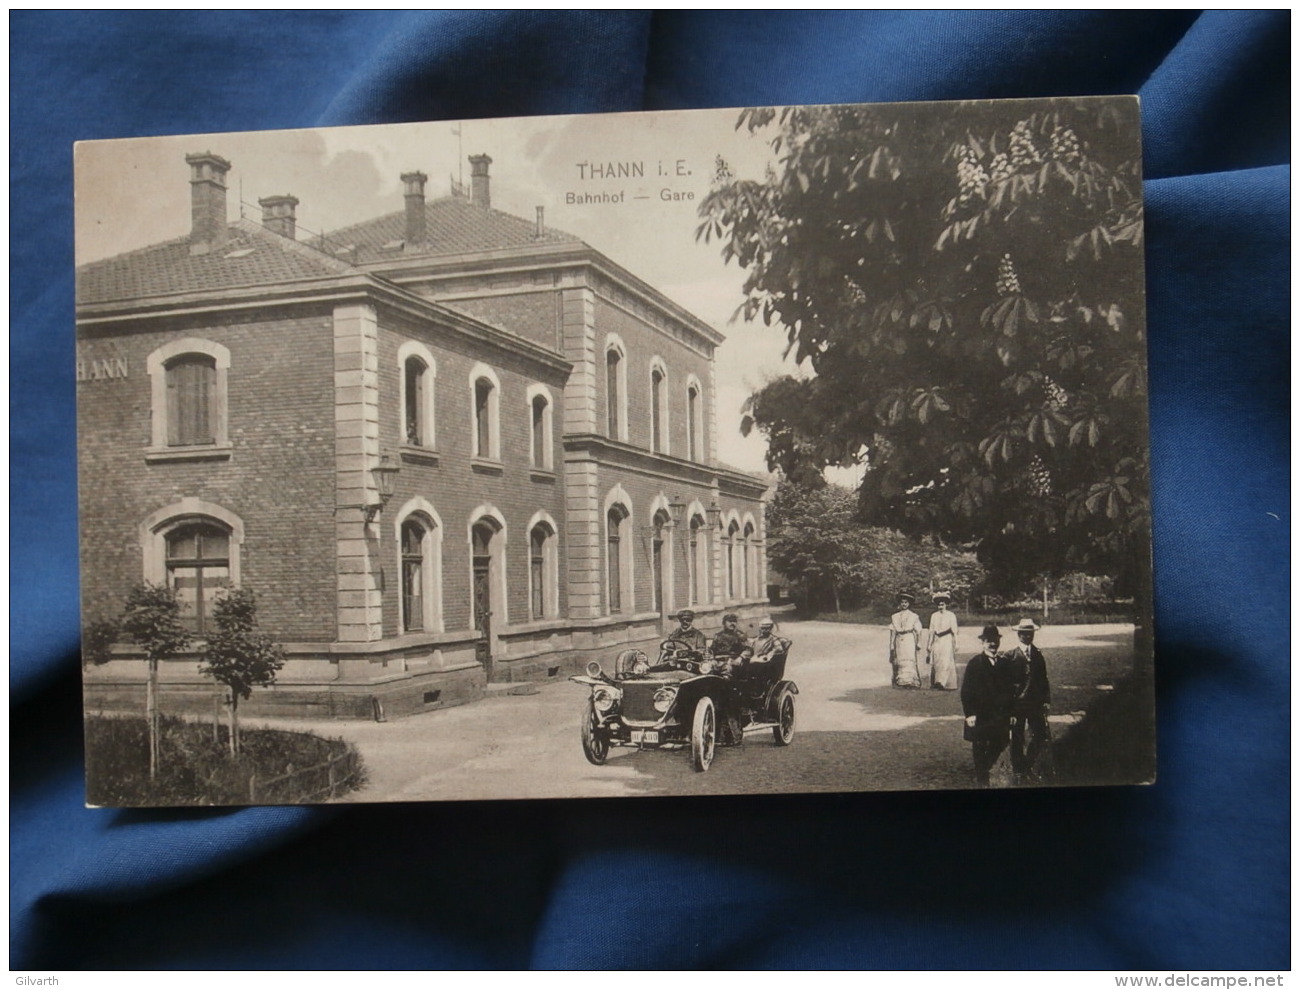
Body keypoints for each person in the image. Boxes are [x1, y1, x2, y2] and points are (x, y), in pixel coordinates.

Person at [960, 625, 1016, 786]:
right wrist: (970, 714)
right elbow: (967, 691)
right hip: (981, 712)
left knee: (1002, 740)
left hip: (1000, 713)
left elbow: (1010, 689)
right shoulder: (975, 663)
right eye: (989, 641)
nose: (993, 644)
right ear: (983, 643)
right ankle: (982, 778)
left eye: (995, 641)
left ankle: (985, 767)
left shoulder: (1005, 663)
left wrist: (1011, 712)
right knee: (980, 744)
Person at [1007, 618, 1052, 782]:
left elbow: (1043, 679)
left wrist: (1046, 699)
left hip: (1035, 703)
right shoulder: (1010, 656)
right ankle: (1019, 771)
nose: (1027, 637)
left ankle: (1026, 766)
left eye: (1030, 634)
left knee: (1040, 735)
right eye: (1024, 634)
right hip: (1017, 704)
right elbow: (1005, 684)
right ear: (1019, 635)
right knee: (1017, 737)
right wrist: (1008, 706)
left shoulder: (1038, 655)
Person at [888, 592, 924, 688]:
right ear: (899, 604)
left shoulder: (914, 616)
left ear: (909, 604)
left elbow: (918, 630)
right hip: (899, 639)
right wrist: (891, 644)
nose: (904, 604)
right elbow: (893, 631)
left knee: (909, 658)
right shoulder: (895, 616)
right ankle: (900, 680)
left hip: (909, 639)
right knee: (899, 659)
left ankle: (911, 681)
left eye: (906, 602)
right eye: (902, 602)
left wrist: (919, 642)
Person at [926, 592, 959, 690]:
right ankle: (937, 681)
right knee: (937, 660)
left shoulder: (951, 615)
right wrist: (929, 644)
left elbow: (955, 631)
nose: (940, 607)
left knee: (946, 660)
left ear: (946, 605)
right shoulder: (934, 616)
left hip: (947, 639)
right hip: (937, 640)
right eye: (939, 605)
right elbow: (931, 630)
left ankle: (943, 683)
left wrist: (956, 643)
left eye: (942, 604)